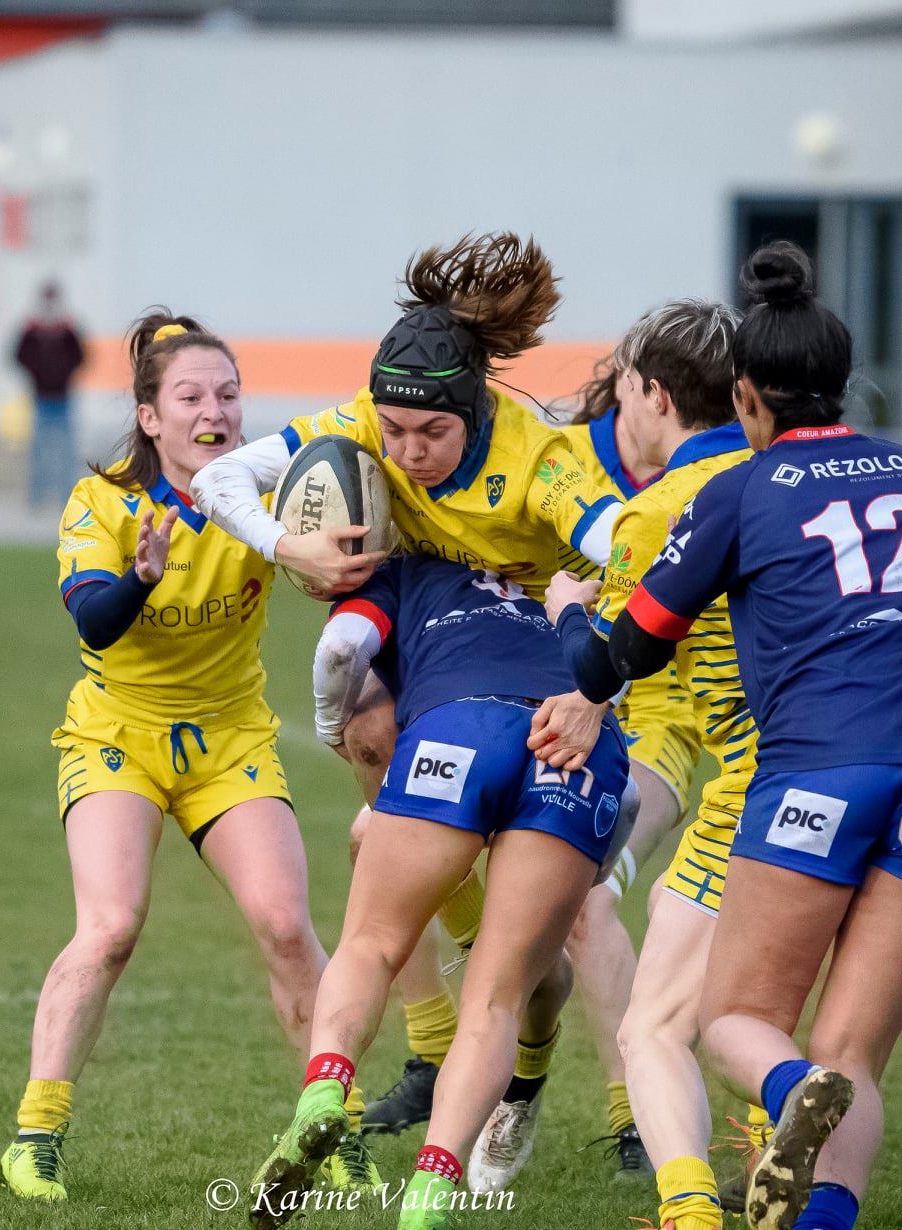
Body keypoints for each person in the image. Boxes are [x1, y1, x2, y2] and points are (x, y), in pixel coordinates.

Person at [548, 242, 902, 1230]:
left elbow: (631, 649)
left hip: (822, 771)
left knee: (738, 1025)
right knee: (853, 1055)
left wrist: (563, 623)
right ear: (842, 384)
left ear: (747, 398)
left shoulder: (740, 492)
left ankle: (789, 1094)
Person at [193, 233, 622, 1151]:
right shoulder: (362, 421)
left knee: (575, 925)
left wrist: (597, 670)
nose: (407, 452)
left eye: (432, 434)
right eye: (394, 434)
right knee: (368, 750)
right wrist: (288, 546)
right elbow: (223, 475)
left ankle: (583, 1099)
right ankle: (434, 1051)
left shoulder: (541, 461)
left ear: (475, 412)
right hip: (426, 632)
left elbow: (627, 542)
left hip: (553, 667)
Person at [0, 310, 381, 1204]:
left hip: (230, 740)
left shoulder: (275, 490)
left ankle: (339, 1127)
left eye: (229, 392)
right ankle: (36, 1136)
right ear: (148, 417)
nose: (215, 410)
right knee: (111, 927)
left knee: (289, 927)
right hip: (117, 736)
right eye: (191, 396)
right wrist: (140, 574)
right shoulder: (102, 503)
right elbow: (93, 619)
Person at [247, 553, 631, 1230]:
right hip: (573, 741)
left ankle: (324, 1097)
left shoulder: (402, 567)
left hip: (458, 732)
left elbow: (341, 648)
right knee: (498, 997)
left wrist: (335, 727)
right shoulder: (573, 553)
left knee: (370, 944)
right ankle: (430, 1194)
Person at [530, 299, 773, 1230]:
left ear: (652, 393)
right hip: (848, 758)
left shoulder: (657, 511)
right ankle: (772, 1133)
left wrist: (563, 607)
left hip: (754, 779)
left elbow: (609, 667)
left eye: (625, 381)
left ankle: (696, 1203)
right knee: (752, 998)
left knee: (656, 1024)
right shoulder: (777, 477)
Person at [14, 283, 87, 509]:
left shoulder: (67, 330)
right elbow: (18, 356)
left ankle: (67, 494)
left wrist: (64, 374)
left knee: (66, 450)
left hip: (63, 397)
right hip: (41, 397)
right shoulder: (32, 329)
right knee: (39, 450)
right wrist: (37, 375)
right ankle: (38, 495)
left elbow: (81, 357)